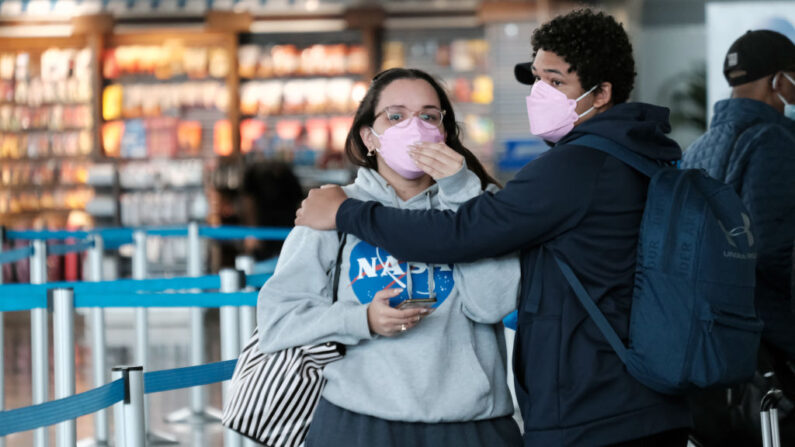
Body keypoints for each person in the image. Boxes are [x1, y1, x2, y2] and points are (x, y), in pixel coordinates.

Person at [295, 9, 692, 446]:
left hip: (593, 404)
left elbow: (462, 238)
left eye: (556, 82)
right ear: (368, 135)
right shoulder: (638, 153)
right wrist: (360, 316)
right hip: (628, 390)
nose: (540, 93)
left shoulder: (576, 167)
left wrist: (347, 213)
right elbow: (283, 315)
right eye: (537, 79)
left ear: (601, 94)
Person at [257, 67, 522, 447]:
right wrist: (361, 318)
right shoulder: (332, 209)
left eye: (429, 116)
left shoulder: (478, 205)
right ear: (369, 137)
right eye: (396, 116)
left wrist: (463, 195)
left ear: (443, 133)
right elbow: (277, 320)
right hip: (361, 425)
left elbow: (491, 305)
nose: (414, 127)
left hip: (469, 427)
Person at [680, 29, 795, 447]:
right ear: (777, 81)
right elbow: (777, 252)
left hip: (715, 348)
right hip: (773, 350)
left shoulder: (698, 148)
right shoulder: (776, 143)